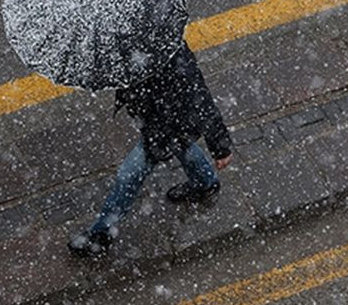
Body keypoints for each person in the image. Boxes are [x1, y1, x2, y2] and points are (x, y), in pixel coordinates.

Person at [69, 41, 233, 257]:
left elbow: (200, 98)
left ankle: (100, 234)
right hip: (159, 121)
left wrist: (220, 146)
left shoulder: (172, 54)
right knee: (182, 146)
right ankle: (205, 183)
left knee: (129, 175)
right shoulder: (130, 46)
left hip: (166, 124)